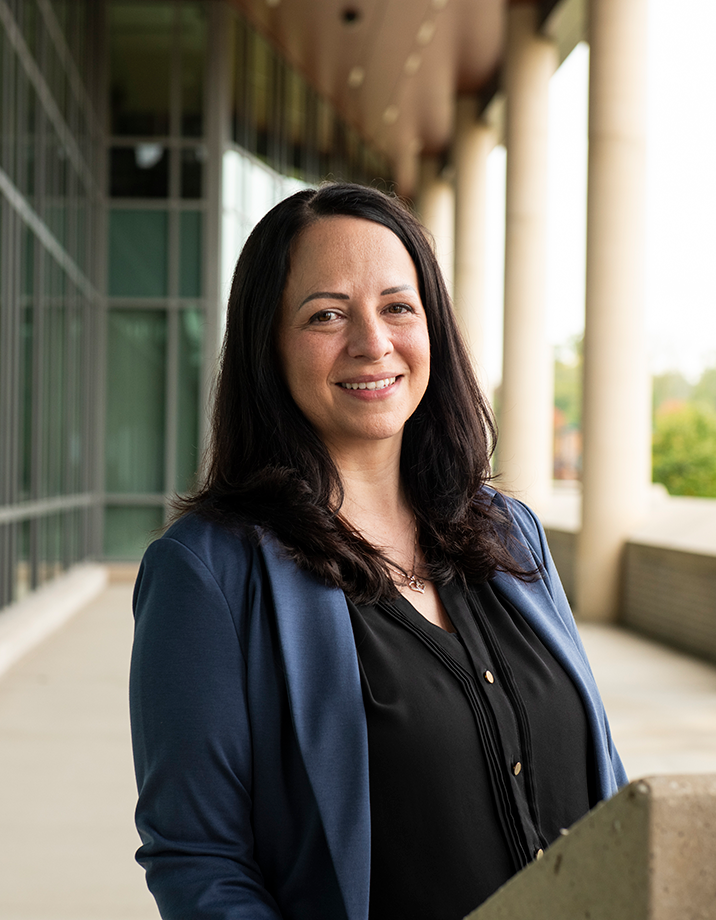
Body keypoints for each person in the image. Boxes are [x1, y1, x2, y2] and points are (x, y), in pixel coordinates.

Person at [129, 183, 626, 920]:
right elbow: (200, 863)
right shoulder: (208, 574)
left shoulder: (511, 532)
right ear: (267, 343)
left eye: (398, 307)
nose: (373, 342)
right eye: (326, 314)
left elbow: (606, 791)